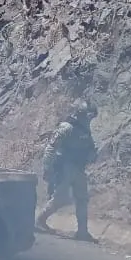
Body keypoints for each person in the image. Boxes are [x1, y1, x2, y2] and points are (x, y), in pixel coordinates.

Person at [36, 99, 98, 241]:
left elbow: (89, 148)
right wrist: (47, 167)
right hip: (65, 167)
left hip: (79, 168)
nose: (90, 120)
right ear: (80, 114)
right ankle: (40, 219)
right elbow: (51, 147)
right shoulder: (66, 128)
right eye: (89, 116)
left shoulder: (85, 130)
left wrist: (92, 154)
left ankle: (82, 231)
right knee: (60, 198)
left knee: (82, 199)